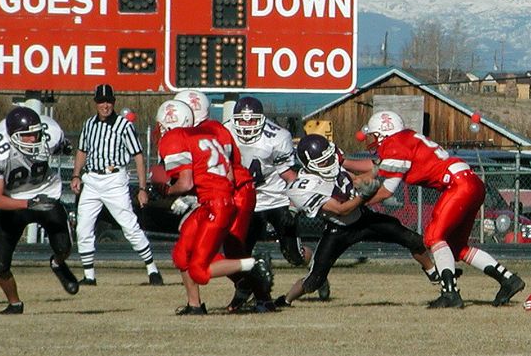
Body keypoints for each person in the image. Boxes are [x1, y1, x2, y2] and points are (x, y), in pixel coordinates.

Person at [361, 110, 525, 308]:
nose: (371, 139)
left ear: (382, 132)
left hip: (458, 185)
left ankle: (450, 293)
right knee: (457, 247)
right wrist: (346, 165)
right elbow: (375, 169)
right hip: (471, 182)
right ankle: (508, 280)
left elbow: (387, 191)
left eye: (373, 134)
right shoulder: (407, 138)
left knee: (433, 237)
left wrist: (360, 202)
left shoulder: (396, 145)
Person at [273, 134, 438, 307]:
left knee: (412, 239)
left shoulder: (333, 163)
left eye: (330, 158)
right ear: (309, 165)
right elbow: (341, 209)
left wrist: (383, 167)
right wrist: (364, 195)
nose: (329, 163)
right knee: (314, 280)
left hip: (363, 218)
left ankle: (433, 272)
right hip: (339, 230)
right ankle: (285, 300)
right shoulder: (303, 187)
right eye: (323, 162)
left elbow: (357, 180)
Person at [156, 99, 272, 315]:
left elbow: (186, 182)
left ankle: (254, 268)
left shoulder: (176, 137)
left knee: (202, 268)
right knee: (182, 254)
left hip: (220, 201)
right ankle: (195, 306)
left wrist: (165, 191)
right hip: (216, 198)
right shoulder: (211, 132)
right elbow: (227, 170)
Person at [224, 96, 327, 308]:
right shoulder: (225, 133)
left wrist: (294, 201)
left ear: (261, 119)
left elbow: (288, 174)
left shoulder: (278, 136)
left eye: (252, 120)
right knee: (238, 252)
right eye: (242, 120)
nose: (246, 125)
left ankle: (319, 272)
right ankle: (244, 290)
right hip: (246, 199)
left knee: (293, 254)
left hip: (276, 198)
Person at [0, 106, 79, 315]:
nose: (34, 139)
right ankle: (15, 303)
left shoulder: (49, 133)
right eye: (28, 135)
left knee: (64, 247)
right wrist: (29, 203)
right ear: (12, 136)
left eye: (36, 134)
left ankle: (58, 263)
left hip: (45, 191)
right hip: (13, 201)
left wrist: (64, 148)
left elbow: (63, 146)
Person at [71, 84, 162, 286]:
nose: (105, 105)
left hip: (114, 178)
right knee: (83, 228)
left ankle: (152, 269)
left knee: (129, 226)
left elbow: (138, 156)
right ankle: (89, 275)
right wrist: (76, 175)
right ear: (96, 103)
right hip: (92, 179)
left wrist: (142, 187)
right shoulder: (89, 124)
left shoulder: (124, 126)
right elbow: (82, 150)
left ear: (114, 102)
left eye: (109, 101)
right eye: (102, 101)